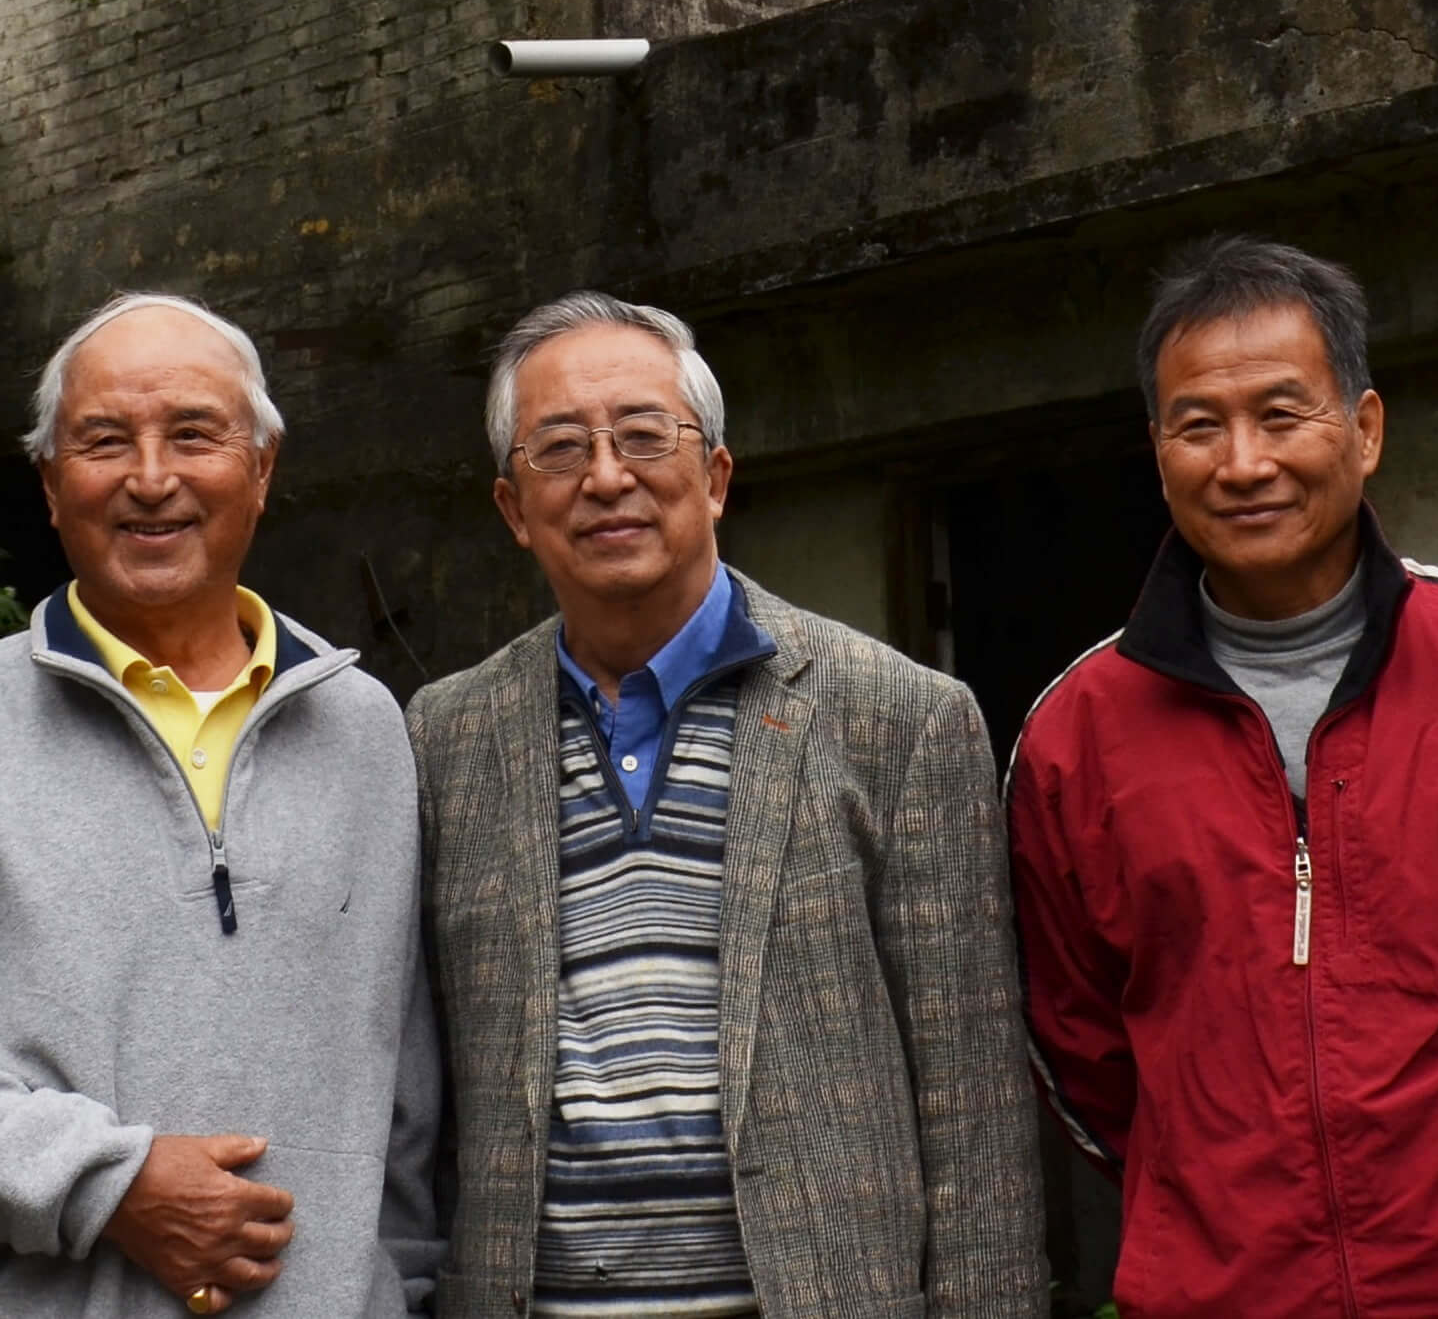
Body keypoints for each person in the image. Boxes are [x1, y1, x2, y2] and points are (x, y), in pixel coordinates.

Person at [1007, 235, 1438, 1319]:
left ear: (1362, 430)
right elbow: (1078, 1048)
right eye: (1198, 425)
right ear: (1156, 451)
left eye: (1280, 413)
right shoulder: (1077, 734)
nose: (1242, 461)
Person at [0, 293, 439, 1319]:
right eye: (103, 441)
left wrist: (389, 1289)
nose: (151, 477)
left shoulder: (365, 732)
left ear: (261, 467)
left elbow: (403, 1093)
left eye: (193, 433)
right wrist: (105, 1183)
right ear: (51, 486)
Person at [411, 291, 1045, 1319]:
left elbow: (972, 1104)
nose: (606, 476)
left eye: (643, 436)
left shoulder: (898, 717)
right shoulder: (445, 737)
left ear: (713, 476)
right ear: (511, 509)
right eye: (560, 447)